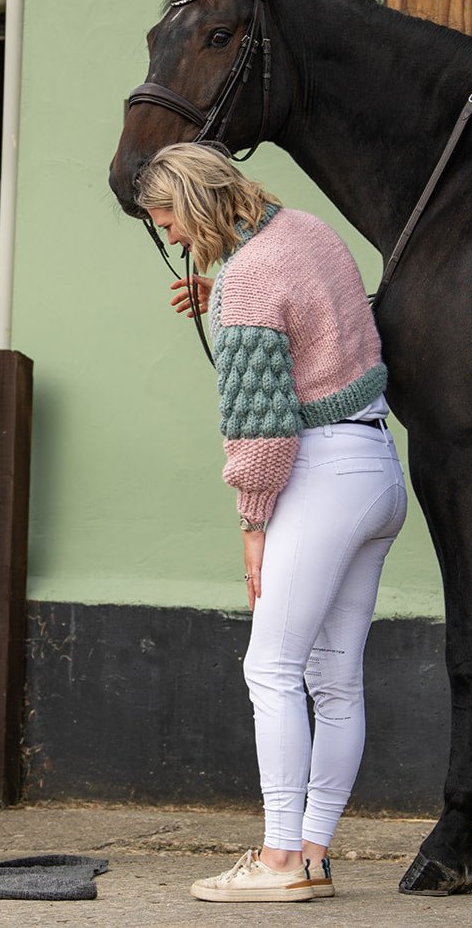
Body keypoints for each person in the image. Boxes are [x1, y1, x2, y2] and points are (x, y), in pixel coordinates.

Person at [135, 143, 407, 903]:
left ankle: (279, 856)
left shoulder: (250, 277)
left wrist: (251, 525)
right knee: (334, 679)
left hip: (318, 476)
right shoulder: (306, 232)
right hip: (378, 472)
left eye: (169, 224)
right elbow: (311, 316)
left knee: (271, 669)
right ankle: (313, 856)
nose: (173, 240)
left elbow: (260, 428)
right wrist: (219, 294)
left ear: (191, 204)